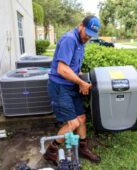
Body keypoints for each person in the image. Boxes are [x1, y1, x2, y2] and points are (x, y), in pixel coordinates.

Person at [43, 16, 101, 165]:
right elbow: (62, 69)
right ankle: (51, 151)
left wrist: (83, 78)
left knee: (82, 119)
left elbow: (75, 66)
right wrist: (81, 83)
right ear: (81, 25)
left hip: (71, 85)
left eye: (91, 35)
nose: (88, 37)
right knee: (73, 124)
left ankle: (83, 148)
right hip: (60, 87)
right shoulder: (70, 39)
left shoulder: (82, 42)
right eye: (87, 33)